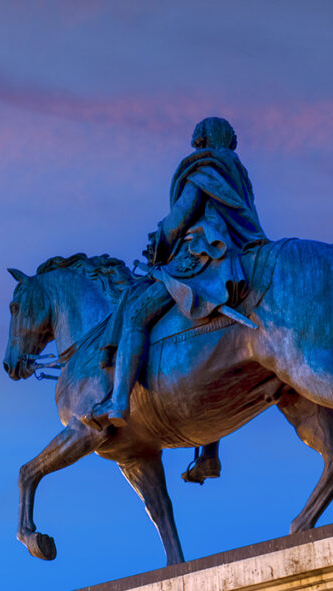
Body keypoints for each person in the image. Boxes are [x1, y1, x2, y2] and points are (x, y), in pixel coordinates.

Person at [90, 117, 267, 428]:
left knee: (134, 314)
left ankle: (119, 401)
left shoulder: (203, 169)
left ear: (201, 140)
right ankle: (209, 453)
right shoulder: (238, 171)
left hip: (201, 255)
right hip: (236, 254)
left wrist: (159, 241)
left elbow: (180, 217)